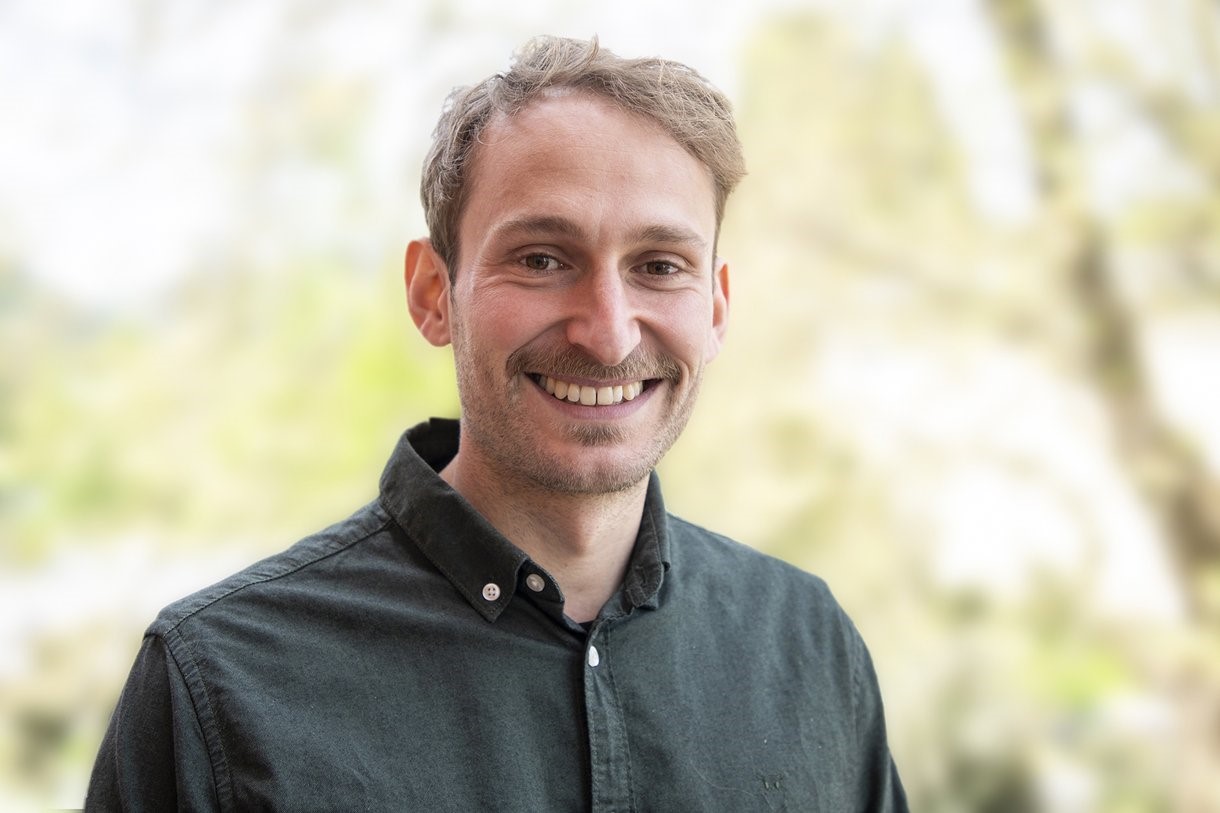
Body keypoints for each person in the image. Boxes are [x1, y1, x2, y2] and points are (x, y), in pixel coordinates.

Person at [86, 36, 908, 811]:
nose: (609, 333)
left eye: (660, 266)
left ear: (717, 307)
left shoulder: (811, 647)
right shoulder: (218, 681)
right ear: (432, 293)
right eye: (542, 259)